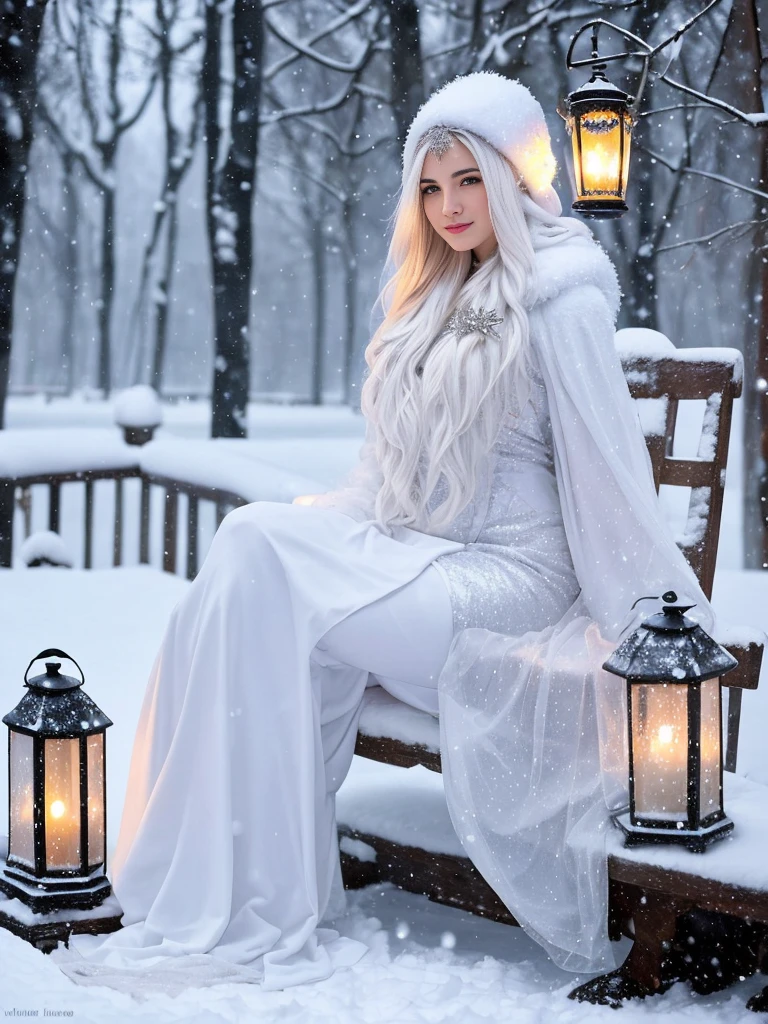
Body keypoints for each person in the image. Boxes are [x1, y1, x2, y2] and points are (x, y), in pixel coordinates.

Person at [53, 71, 714, 994]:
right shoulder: (434, 300)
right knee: (248, 559)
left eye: (468, 180)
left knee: (258, 556)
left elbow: (610, 479)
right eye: (430, 186)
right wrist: (321, 530)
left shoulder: (560, 299)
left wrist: (655, 635)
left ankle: (238, 893)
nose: (447, 206)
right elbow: (385, 476)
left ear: (512, 178)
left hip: (516, 585)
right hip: (430, 559)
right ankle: (226, 883)